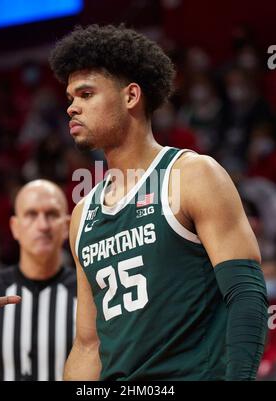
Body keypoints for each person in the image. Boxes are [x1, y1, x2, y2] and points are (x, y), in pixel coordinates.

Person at [49, 24, 268, 381]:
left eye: (85, 94)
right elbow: (88, 346)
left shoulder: (193, 175)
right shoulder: (83, 214)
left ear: (131, 96)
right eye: (71, 98)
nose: (72, 108)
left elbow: (246, 294)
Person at [0, 180, 77, 381]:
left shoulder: (90, 293)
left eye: (52, 214)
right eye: (31, 214)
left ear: (66, 227)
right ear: (15, 227)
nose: (43, 225)